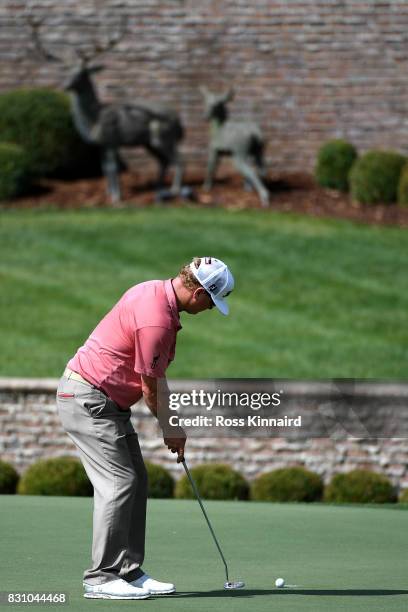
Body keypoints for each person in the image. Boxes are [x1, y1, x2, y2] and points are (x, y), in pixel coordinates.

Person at [56, 257, 234, 600]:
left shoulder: (153, 292)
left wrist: (174, 425)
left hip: (104, 403)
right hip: (89, 399)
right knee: (120, 482)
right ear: (198, 294)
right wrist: (171, 427)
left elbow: (156, 376)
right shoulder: (158, 320)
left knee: (136, 478)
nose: (212, 308)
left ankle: (128, 570)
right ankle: (101, 577)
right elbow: (150, 387)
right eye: (212, 301)